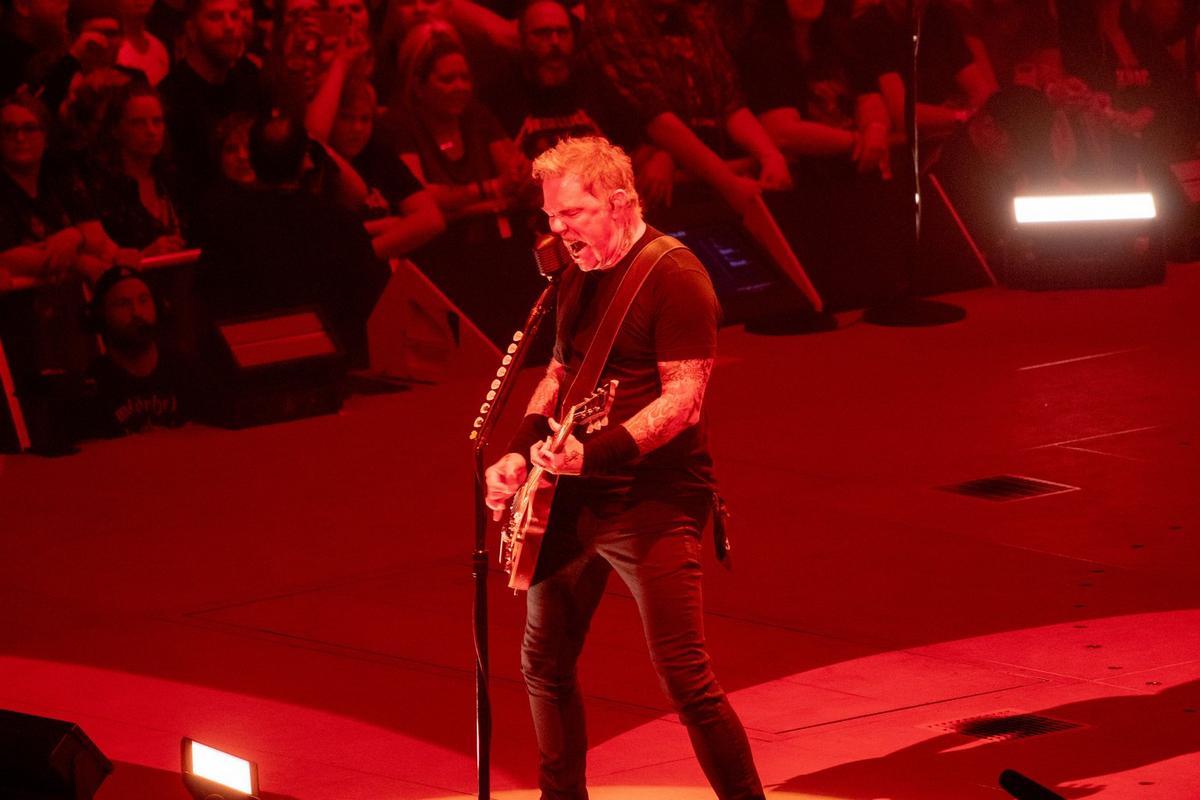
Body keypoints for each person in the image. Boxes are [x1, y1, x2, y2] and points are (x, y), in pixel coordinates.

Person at [483, 136, 765, 799]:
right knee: (543, 664)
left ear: (619, 202)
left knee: (684, 677)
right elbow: (560, 372)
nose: (558, 230)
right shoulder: (575, 271)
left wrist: (595, 452)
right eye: (550, 216)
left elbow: (684, 401)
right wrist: (520, 450)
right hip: (570, 496)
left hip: (652, 499)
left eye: (572, 214)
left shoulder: (677, 277)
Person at [82, 264, 196, 436]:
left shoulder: (186, 369)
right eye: (123, 304)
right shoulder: (94, 386)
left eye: (143, 300)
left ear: (159, 307)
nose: (137, 312)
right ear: (100, 317)